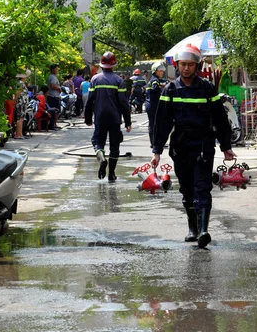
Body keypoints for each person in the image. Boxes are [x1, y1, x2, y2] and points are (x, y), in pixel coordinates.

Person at [150, 44, 236, 249]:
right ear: (177, 65)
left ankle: (204, 230)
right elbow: (162, 122)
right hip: (181, 148)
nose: (186, 68)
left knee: (203, 187)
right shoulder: (170, 89)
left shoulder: (207, 88)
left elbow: (220, 119)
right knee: (187, 189)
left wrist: (226, 146)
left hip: (203, 146)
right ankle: (192, 228)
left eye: (190, 65)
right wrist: (157, 151)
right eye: (183, 65)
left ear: (196, 66)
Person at [84, 52, 132, 182]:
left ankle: (102, 159)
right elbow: (123, 103)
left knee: (97, 142)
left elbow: (90, 101)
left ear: (102, 65)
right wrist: (128, 121)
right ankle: (111, 174)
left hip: (99, 117)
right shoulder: (119, 81)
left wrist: (87, 118)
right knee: (115, 146)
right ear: (113, 65)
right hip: (115, 118)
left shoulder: (94, 80)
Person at [144, 62, 167, 146]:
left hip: (151, 105)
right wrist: (163, 92)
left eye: (162, 71)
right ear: (155, 71)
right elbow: (155, 89)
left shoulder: (155, 79)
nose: (162, 72)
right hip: (153, 105)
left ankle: (154, 142)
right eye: (160, 71)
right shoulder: (155, 80)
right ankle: (155, 143)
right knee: (155, 124)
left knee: (153, 124)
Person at [14, 70, 31, 139]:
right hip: (21, 102)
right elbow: (17, 93)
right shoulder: (20, 83)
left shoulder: (21, 83)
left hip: (22, 103)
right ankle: (18, 134)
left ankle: (20, 134)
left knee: (21, 118)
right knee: (20, 118)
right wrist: (15, 101)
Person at [46, 64, 62, 130]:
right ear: (52, 70)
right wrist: (59, 89)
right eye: (56, 69)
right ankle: (53, 124)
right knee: (56, 111)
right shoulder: (52, 77)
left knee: (57, 111)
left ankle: (54, 124)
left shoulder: (53, 77)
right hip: (53, 96)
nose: (57, 70)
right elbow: (52, 85)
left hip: (54, 96)